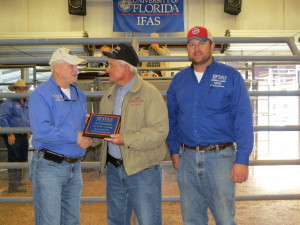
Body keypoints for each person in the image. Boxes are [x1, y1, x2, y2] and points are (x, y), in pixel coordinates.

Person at [166, 26, 254, 225]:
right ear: (187, 49)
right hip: (186, 158)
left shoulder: (230, 76)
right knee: (191, 218)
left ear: (212, 46)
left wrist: (242, 159)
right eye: (191, 44)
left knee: (224, 218)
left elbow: (243, 117)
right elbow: (172, 118)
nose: (196, 48)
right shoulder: (179, 80)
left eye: (201, 43)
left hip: (220, 158)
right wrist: (173, 150)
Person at [99, 43, 169, 225]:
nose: (107, 69)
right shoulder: (108, 95)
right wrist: (88, 133)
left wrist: (126, 139)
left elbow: (159, 132)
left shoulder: (150, 94)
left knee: (147, 221)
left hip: (142, 170)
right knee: (116, 220)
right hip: (114, 170)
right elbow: (103, 129)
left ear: (126, 67)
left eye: (111, 65)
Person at [29, 48, 93, 225]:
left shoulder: (79, 94)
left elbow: (79, 127)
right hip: (50, 166)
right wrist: (76, 137)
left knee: (72, 220)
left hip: (74, 166)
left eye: (77, 66)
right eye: (72, 66)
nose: (77, 70)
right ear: (57, 68)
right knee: (50, 221)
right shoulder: (41, 94)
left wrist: (89, 132)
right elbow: (41, 130)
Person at [0, 79, 31, 193]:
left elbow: (27, 117)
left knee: (22, 158)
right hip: (14, 136)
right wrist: (10, 134)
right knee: (14, 159)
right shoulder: (8, 102)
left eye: (23, 88)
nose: (21, 90)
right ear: (15, 90)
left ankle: (17, 181)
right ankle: (13, 186)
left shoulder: (26, 102)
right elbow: (2, 119)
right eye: (19, 88)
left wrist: (28, 130)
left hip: (23, 135)